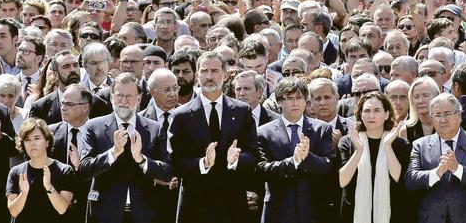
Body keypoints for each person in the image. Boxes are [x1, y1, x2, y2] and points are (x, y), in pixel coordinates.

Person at [169, 50, 259, 223]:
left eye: (215, 71)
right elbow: (175, 161)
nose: (209, 76)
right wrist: (202, 163)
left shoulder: (242, 111)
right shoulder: (181, 115)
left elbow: (253, 155)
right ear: (197, 75)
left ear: (225, 75)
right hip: (195, 204)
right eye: (204, 71)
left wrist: (236, 159)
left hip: (232, 204)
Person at [75, 72, 171, 223]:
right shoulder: (94, 127)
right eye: (119, 95)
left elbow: (167, 172)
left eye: (129, 96)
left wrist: (141, 160)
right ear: (112, 97)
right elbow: (85, 170)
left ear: (139, 99)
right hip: (105, 212)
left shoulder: (154, 128)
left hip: (145, 212)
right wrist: (113, 153)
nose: (123, 101)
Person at [255, 76, 337, 223]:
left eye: (299, 97)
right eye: (289, 98)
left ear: (306, 101)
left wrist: (307, 157)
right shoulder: (264, 132)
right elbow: (262, 170)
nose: (295, 102)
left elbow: (328, 166)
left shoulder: (322, 129)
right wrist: (293, 162)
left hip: (314, 209)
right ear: (279, 102)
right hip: (278, 210)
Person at [404, 92, 466, 223]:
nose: (443, 119)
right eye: (437, 115)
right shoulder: (420, 145)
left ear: (459, 115)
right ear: (432, 118)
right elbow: (410, 180)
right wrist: (436, 173)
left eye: (447, 114)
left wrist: (458, 169)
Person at [337, 91, 410, 223]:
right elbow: (343, 180)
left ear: (386, 114)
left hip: (393, 214)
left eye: (377, 110)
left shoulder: (399, 144)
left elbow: (398, 177)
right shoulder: (348, 142)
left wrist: (387, 146)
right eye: (367, 111)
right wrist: (359, 150)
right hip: (353, 214)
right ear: (360, 114)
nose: (371, 115)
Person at [5, 118, 75, 223]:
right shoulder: (16, 172)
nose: (32, 143)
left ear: (47, 142)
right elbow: (13, 212)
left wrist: (49, 187)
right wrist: (23, 193)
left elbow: (62, 209)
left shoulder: (64, 170)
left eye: (37, 138)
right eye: (27, 140)